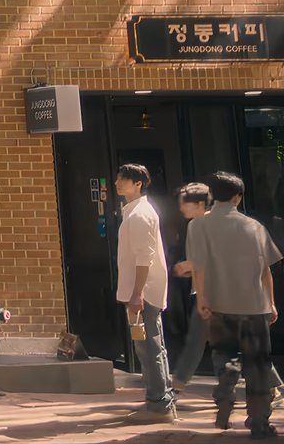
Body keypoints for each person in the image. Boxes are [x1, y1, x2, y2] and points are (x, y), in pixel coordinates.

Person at [189, 171, 282, 439]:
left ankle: (228, 374)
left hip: (218, 304)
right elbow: (266, 271)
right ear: (238, 196)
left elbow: (199, 265)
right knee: (259, 365)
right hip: (254, 306)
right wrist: (272, 303)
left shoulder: (198, 226)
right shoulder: (254, 227)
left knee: (223, 352)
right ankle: (259, 422)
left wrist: (202, 299)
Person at [114, 164, 174, 422]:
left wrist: (137, 293)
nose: (117, 182)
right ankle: (159, 400)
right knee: (149, 345)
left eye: (124, 179)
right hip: (142, 290)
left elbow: (143, 258)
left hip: (144, 292)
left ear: (138, 183)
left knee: (149, 347)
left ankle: (159, 404)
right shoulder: (135, 212)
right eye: (118, 178)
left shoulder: (139, 215)